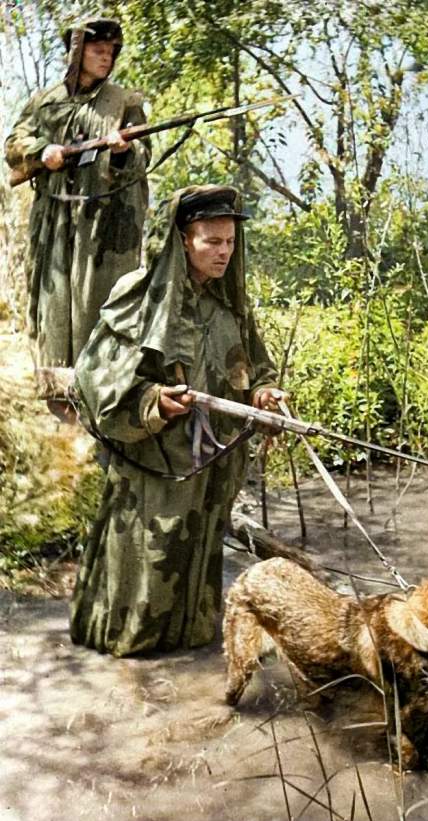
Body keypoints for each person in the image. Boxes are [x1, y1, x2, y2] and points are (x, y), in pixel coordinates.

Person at [70, 184, 285, 657]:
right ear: (183, 239)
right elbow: (96, 375)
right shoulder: (140, 298)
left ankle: (187, 652)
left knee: (199, 553)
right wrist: (153, 402)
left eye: (230, 242)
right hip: (155, 462)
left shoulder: (231, 307)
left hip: (209, 465)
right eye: (212, 241)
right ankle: (132, 659)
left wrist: (265, 393)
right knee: (148, 558)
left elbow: (257, 368)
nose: (224, 252)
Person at [4, 18, 150, 417]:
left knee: (98, 307)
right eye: (97, 50)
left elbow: (143, 157)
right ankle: (57, 411)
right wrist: (42, 151)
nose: (106, 57)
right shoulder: (45, 101)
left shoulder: (124, 102)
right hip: (53, 221)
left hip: (101, 229)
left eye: (111, 51)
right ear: (77, 53)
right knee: (51, 313)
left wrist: (121, 152)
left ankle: (99, 406)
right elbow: (13, 145)